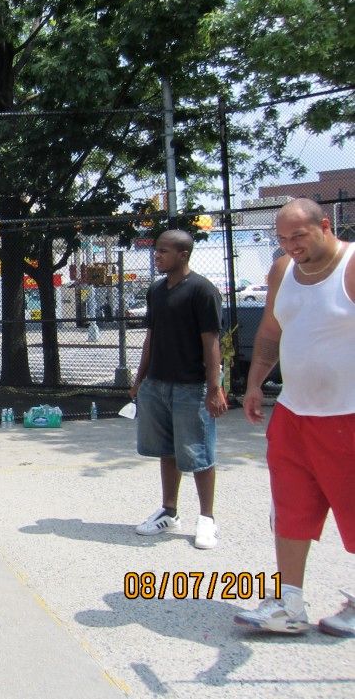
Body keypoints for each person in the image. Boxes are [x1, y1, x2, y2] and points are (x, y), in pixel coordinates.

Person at [234, 198, 354, 637]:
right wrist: (253, 384)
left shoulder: (351, 266)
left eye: (298, 236)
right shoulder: (283, 270)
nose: (291, 246)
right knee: (290, 511)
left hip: (348, 416)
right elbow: (270, 332)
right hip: (295, 414)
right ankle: (290, 605)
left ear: (325, 226)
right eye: (282, 238)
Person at [130, 229, 227, 549]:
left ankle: (207, 519)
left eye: (164, 251)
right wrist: (140, 378)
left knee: (198, 453)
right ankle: (169, 511)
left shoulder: (202, 291)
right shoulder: (156, 291)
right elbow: (151, 338)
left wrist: (214, 388)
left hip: (191, 387)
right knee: (166, 450)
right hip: (157, 384)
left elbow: (212, 342)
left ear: (183, 255)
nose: (157, 256)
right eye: (157, 251)